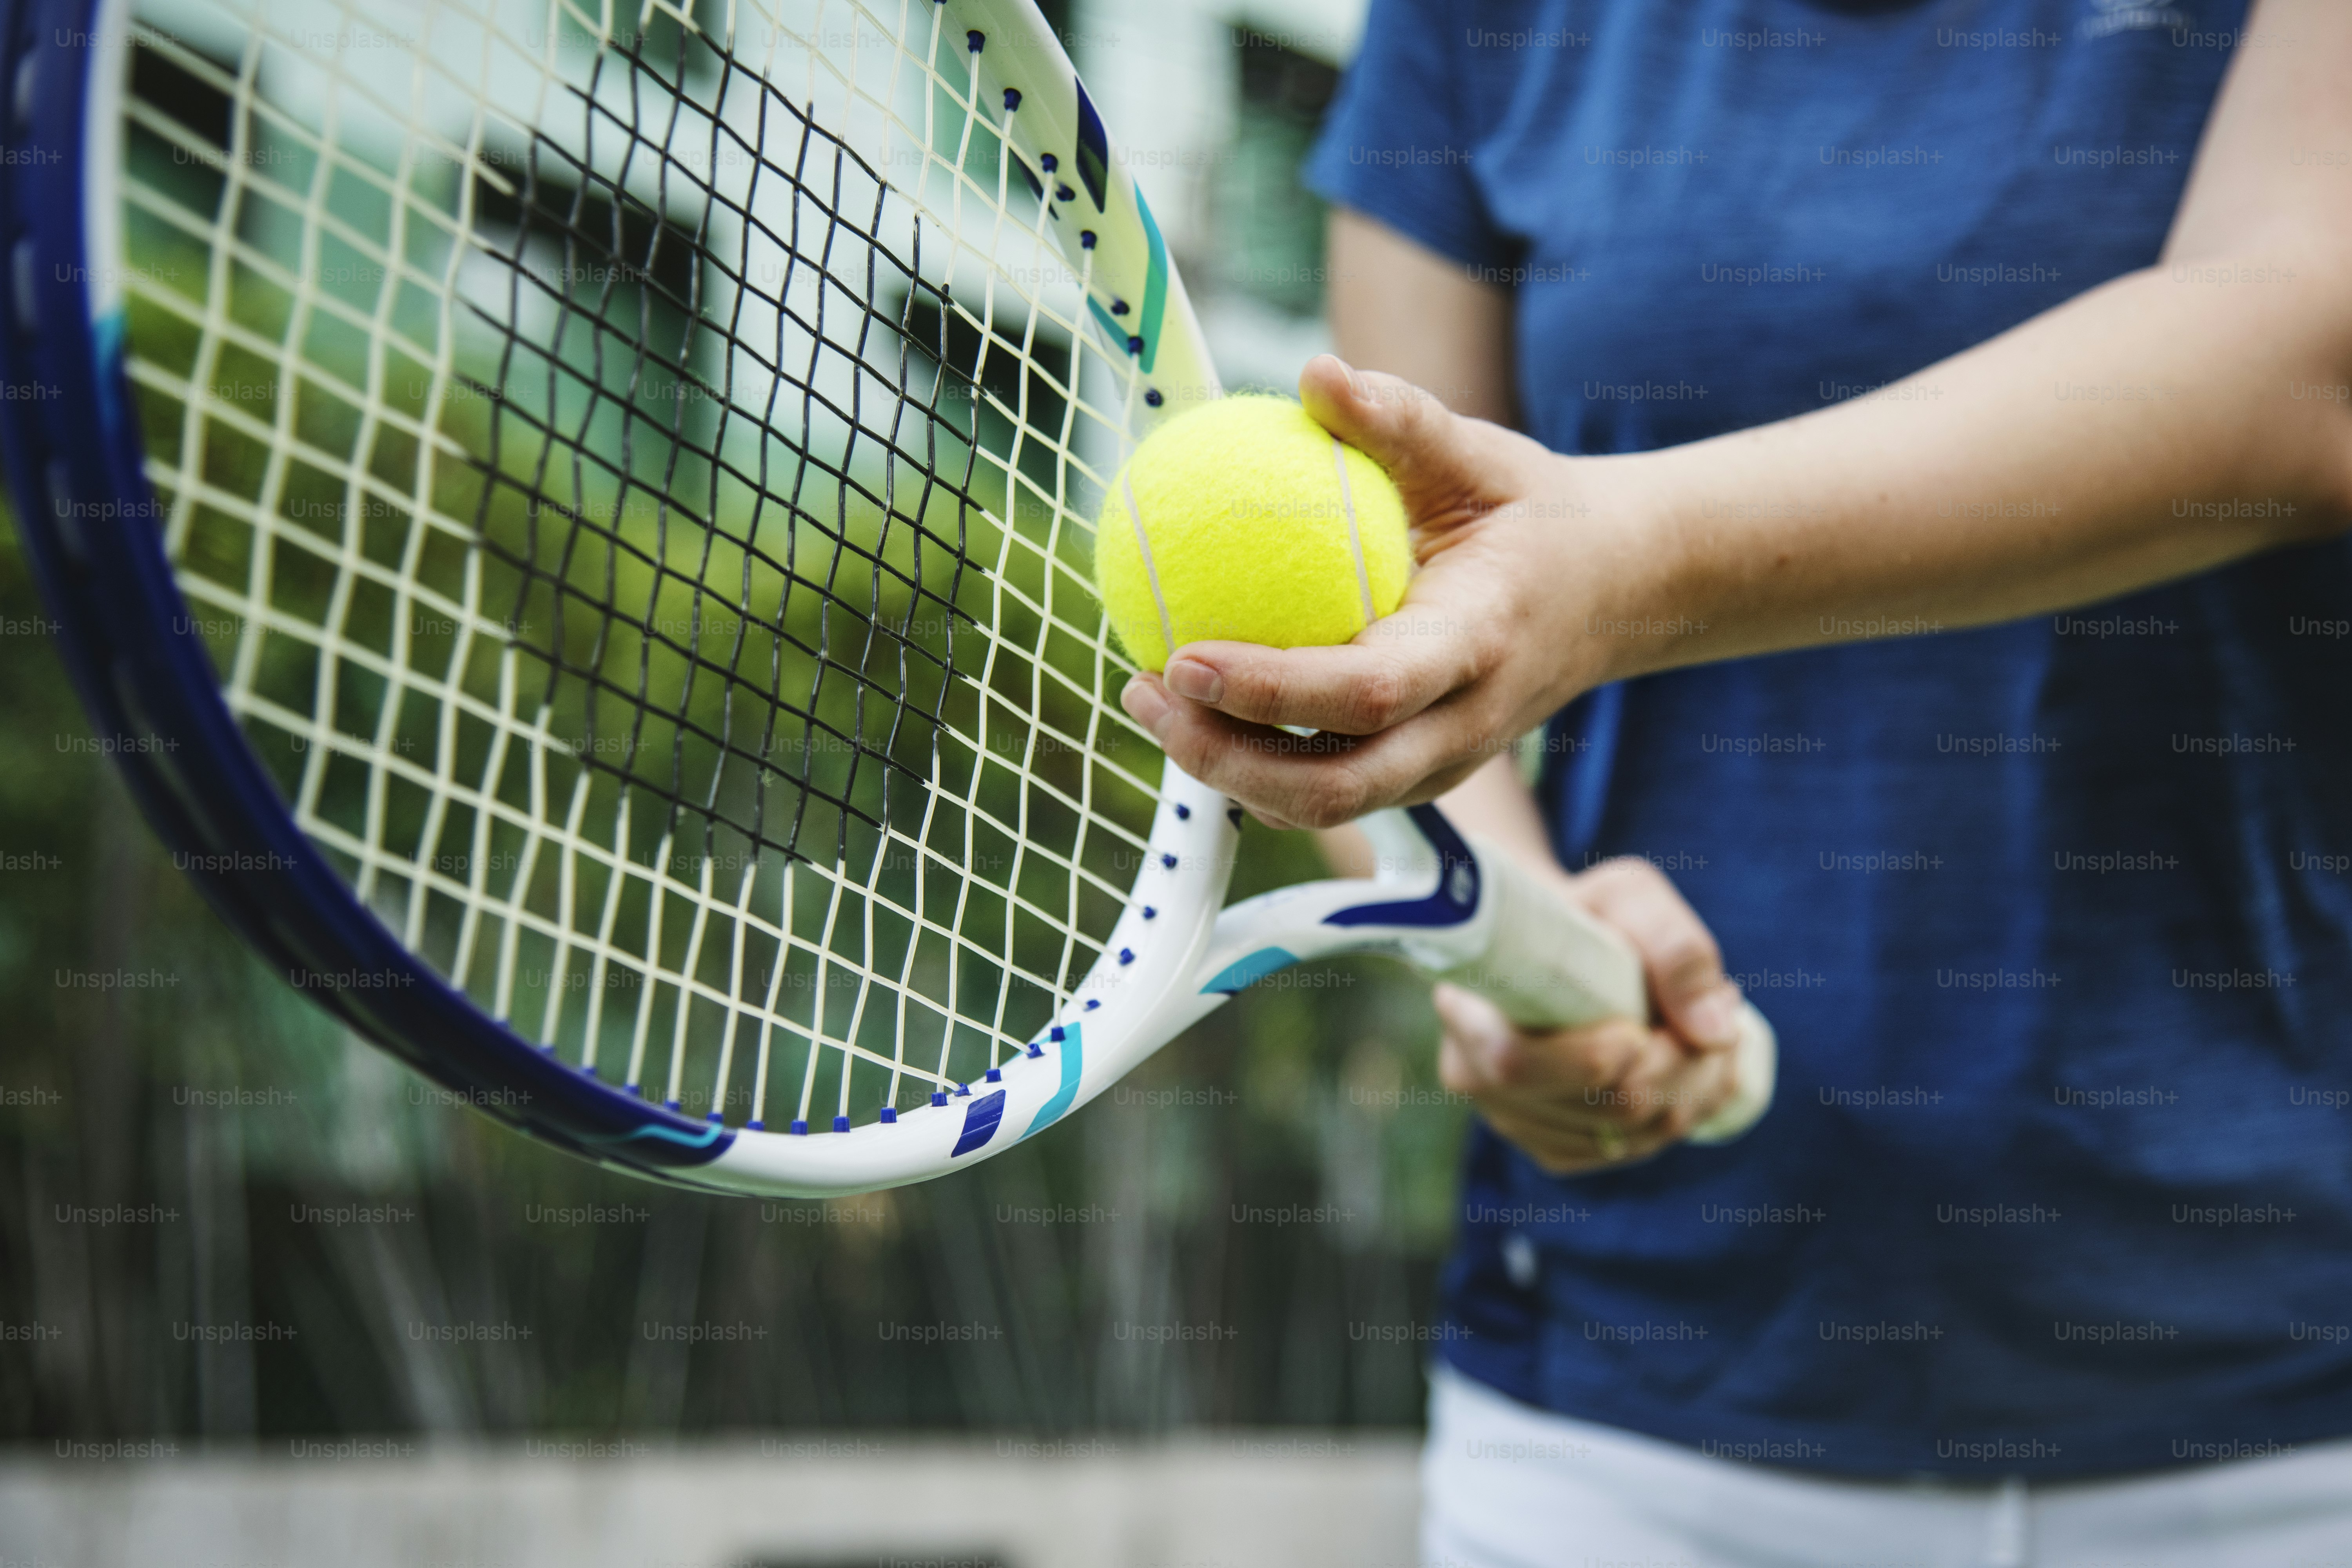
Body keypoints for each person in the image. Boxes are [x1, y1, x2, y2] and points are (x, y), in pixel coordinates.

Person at [1122, 0, 2352, 1561]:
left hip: (2288, 1433)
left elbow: (2306, 358)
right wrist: (1517, 943)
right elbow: (1417, 604)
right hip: (1624, 1426)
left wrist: (1636, 557)